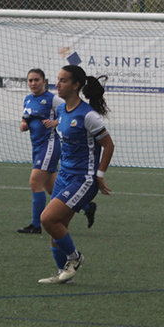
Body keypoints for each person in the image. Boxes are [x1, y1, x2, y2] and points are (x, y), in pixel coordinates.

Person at [37, 65, 114, 284]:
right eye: (58, 79)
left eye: (63, 81)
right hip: (64, 176)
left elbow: (109, 146)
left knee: (47, 219)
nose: (57, 84)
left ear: (76, 85)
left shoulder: (89, 116)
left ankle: (75, 258)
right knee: (58, 229)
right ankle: (64, 275)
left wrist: (99, 174)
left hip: (84, 179)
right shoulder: (61, 111)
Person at [18, 68, 96, 234]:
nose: (33, 83)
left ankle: (36, 225)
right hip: (37, 147)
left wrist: (55, 123)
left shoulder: (53, 99)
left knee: (34, 182)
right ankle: (88, 206)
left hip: (50, 145)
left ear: (44, 82)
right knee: (53, 189)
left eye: (37, 80)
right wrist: (24, 125)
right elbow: (26, 119)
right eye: (30, 80)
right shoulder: (28, 100)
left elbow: (69, 112)